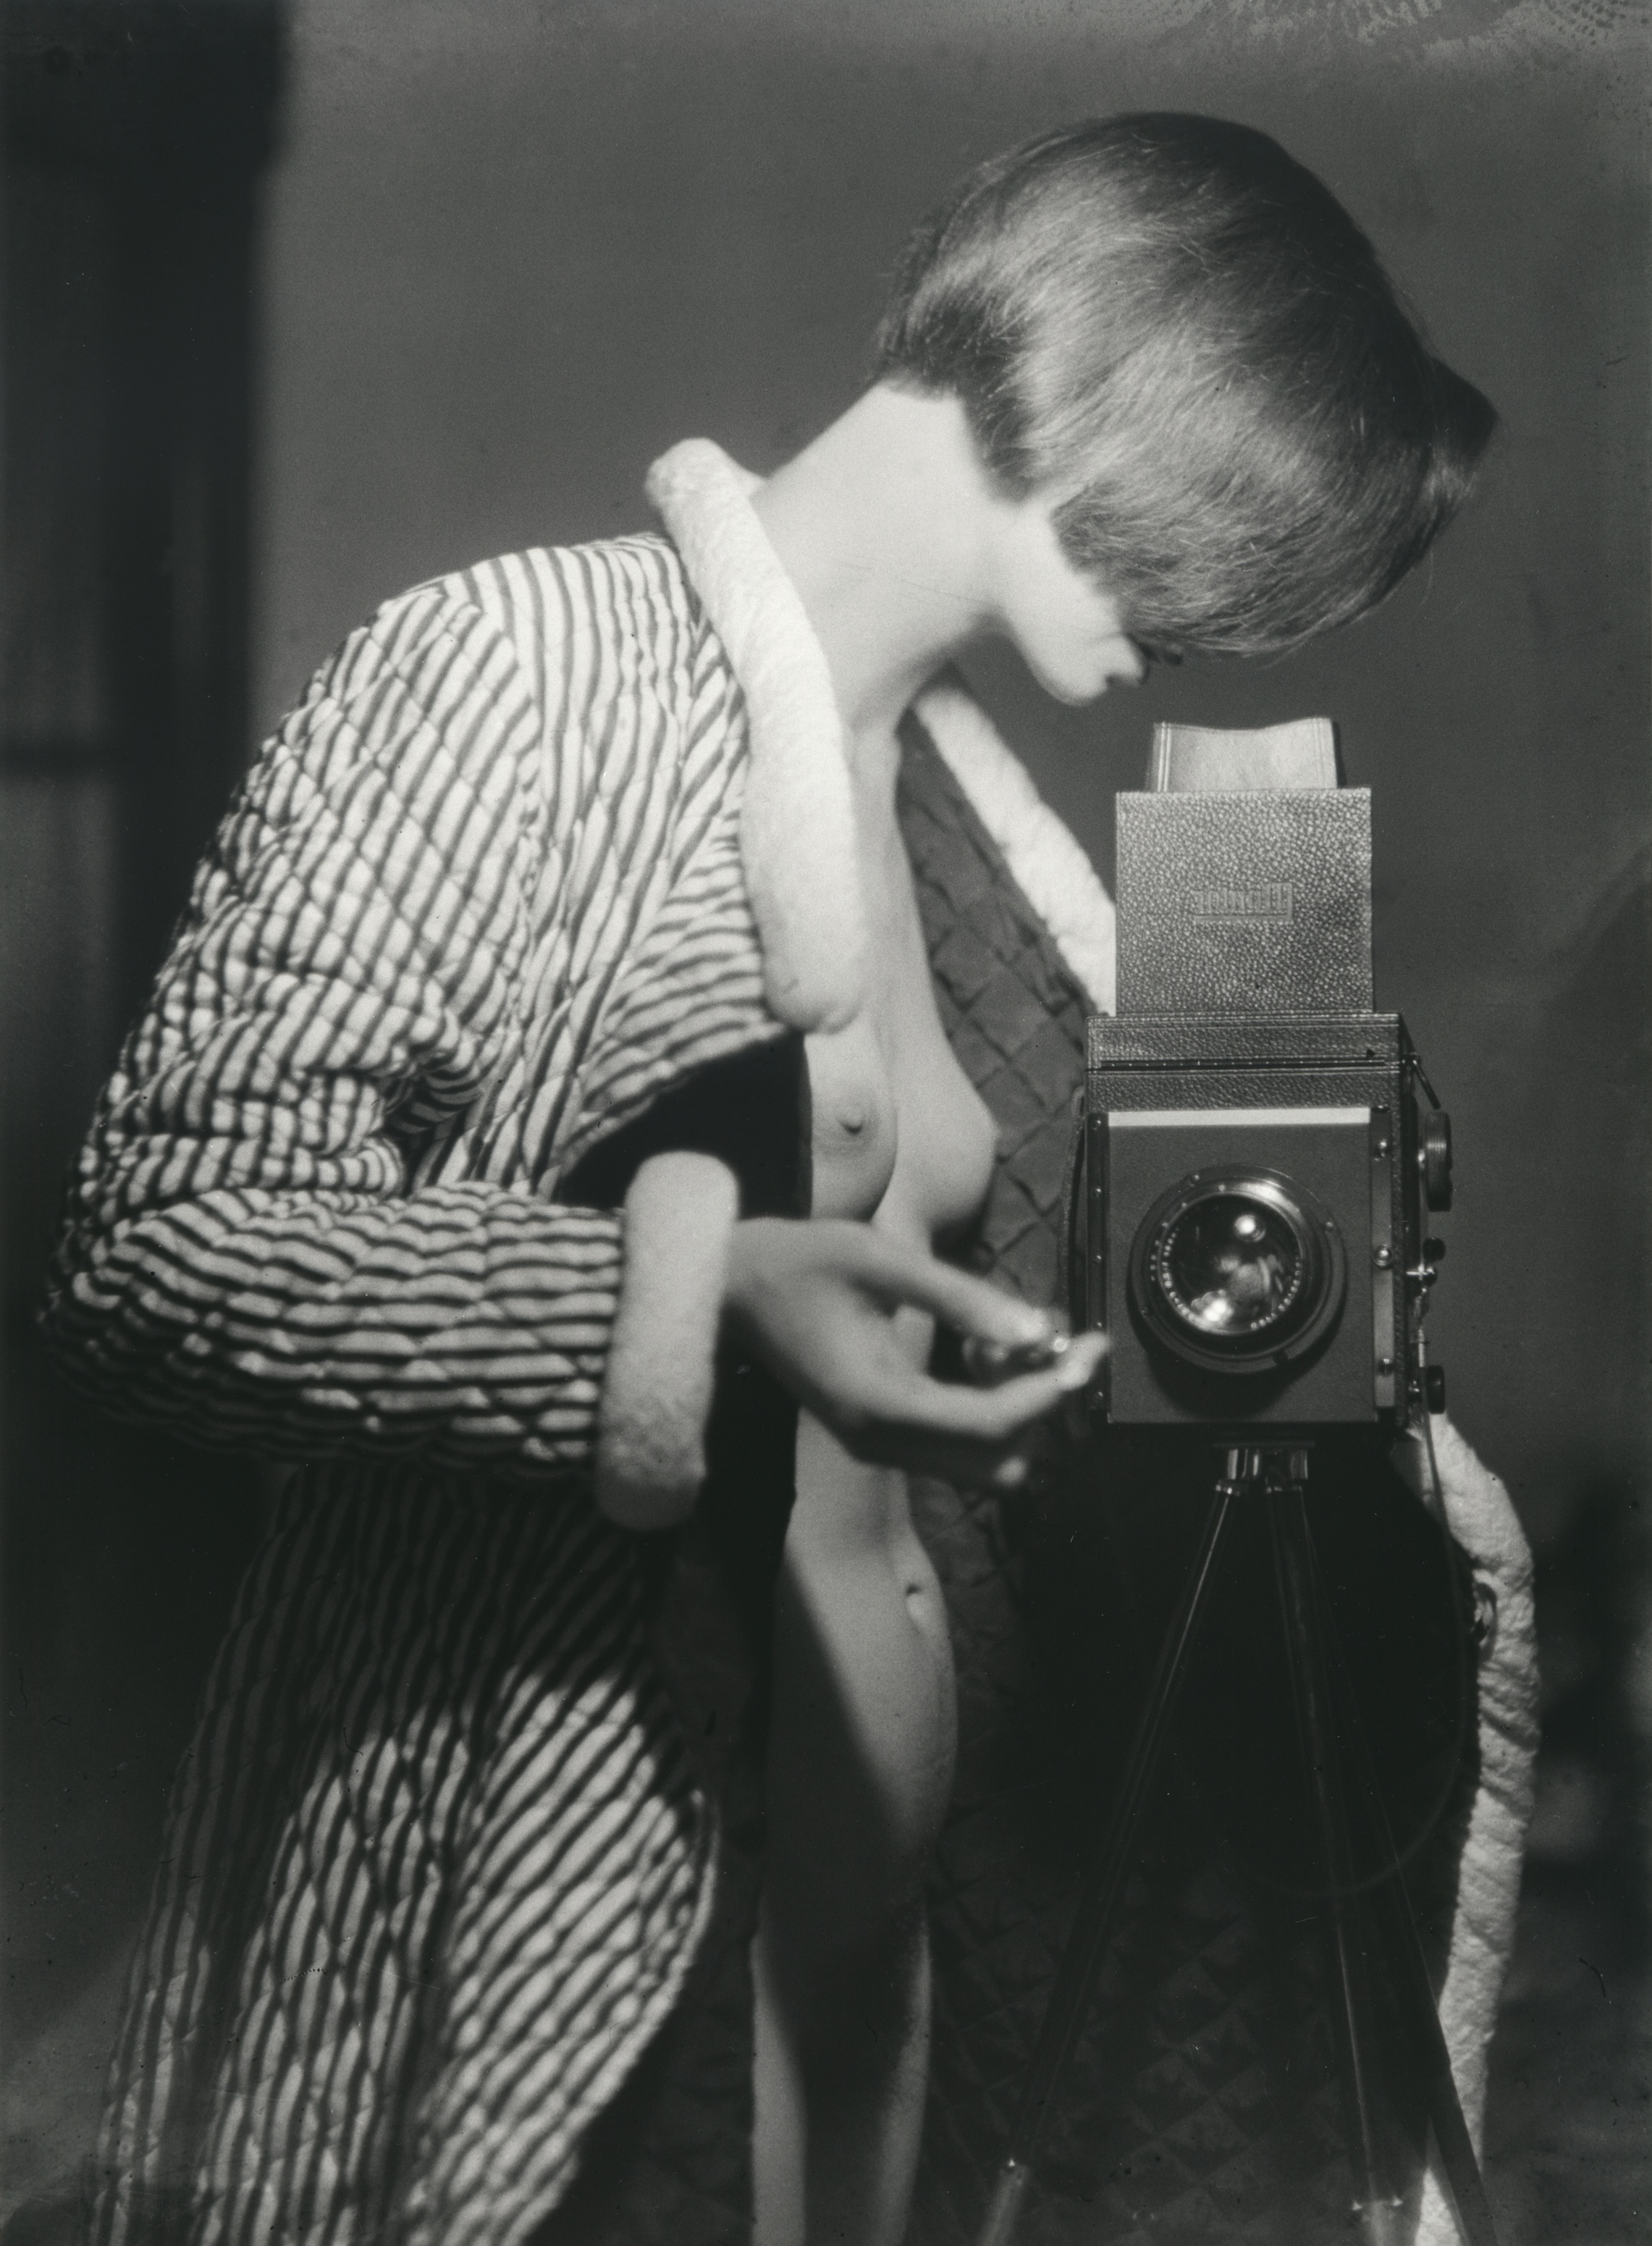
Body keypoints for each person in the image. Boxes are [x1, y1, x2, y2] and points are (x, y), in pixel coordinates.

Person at [43, 114, 1534, 2246]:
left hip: (912, 1944)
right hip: (587, 1906)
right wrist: (693, 1310)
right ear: (1144, 400)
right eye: (1263, 542)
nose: (1248, 635)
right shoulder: (517, 668)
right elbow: (160, 1252)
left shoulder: (957, 821)